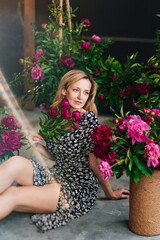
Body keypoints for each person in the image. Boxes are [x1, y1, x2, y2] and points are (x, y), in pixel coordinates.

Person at [0, 69, 129, 232]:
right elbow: (58, 157)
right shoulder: (57, 117)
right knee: (15, 163)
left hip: (77, 188)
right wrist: (40, 148)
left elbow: (95, 164)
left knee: (13, 194)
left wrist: (110, 194)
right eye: (76, 90)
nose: (81, 97)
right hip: (56, 174)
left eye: (86, 92)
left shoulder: (88, 120)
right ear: (64, 90)